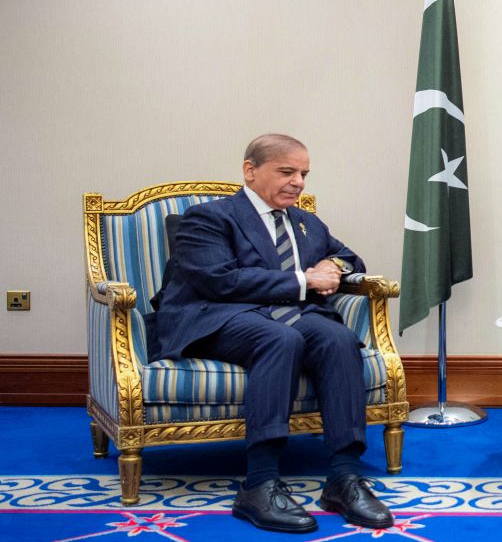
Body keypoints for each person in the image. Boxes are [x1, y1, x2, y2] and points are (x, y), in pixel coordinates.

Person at [154, 134, 394, 533]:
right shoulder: (208, 217)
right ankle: (260, 483)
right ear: (250, 170)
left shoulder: (305, 222)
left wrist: (332, 265)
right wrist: (304, 279)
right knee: (279, 338)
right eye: (287, 171)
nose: (298, 182)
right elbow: (220, 281)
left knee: (337, 338)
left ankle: (344, 478)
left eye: (303, 173)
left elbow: (350, 257)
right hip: (217, 316)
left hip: (283, 314)